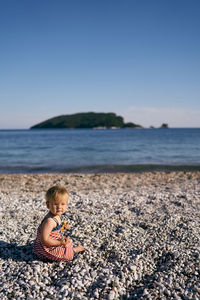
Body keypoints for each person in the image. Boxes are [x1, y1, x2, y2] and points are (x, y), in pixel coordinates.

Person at [33, 185, 84, 261]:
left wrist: (63, 227)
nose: (59, 207)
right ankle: (75, 250)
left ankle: (69, 249)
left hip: (53, 241)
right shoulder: (49, 221)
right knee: (67, 255)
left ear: (67, 204)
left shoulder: (56, 215)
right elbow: (44, 240)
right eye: (56, 204)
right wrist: (60, 243)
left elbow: (54, 231)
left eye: (63, 204)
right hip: (45, 248)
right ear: (48, 205)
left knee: (68, 242)